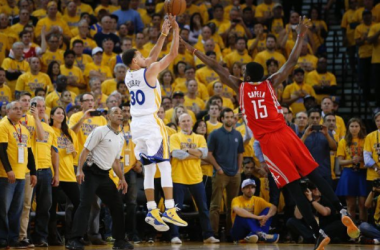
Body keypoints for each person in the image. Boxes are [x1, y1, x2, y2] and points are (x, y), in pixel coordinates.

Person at [182, 16, 360, 250]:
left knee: (293, 187)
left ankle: (317, 232)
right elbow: (293, 60)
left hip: (270, 143)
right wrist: (300, 35)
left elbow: (216, 66)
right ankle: (341, 209)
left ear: (246, 77)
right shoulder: (271, 82)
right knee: (314, 174)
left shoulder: (240, 86)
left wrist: (192, 49)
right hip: (286, 134)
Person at [122, 15, 187, 231]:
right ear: (135, 61)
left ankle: (152, 210)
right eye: (139, 56)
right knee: (165, 166)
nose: (144, 57)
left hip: (136, 126)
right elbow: (173, 54)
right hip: (151, 123)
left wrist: (163, 33)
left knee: (149, 169)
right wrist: (176, 31)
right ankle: (169, 208)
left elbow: (150, 57)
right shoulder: (149, 72)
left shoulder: (128, 76)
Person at [65, 107, 133, 250]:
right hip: (90, 172)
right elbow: (85, 151)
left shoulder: (120, 136)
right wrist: (79, 171)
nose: (119, 115)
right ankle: (74, 239)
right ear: (108, 116)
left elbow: (115, 161)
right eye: (115, 113)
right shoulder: (99, 131)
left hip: (104, 175)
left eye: (121, 113)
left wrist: (122, 178)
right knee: (85, 204)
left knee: (117, 205)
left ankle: (119, 240)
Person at [169, 113, 219, 244]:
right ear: (179, 124)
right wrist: (194, 153)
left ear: (192, 123)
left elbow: (203, 154)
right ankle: (175, 235)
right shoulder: (174, 137)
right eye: (183, 121)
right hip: (178, 177)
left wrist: (185, 150)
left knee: (203, 208)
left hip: (196, 177)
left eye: (188, 121)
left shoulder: (199, 137)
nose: (186, 123)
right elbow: (175, 154)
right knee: (176, 208)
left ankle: (208, 235)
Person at [0, 101, 37, 249]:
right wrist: (8, 170)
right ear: (7, 111)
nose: (19, 111)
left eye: (21, 109)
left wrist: (33, 172)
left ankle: (13, 239)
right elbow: (1, 150)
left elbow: (29, 152)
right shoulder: (3, 125)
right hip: (6, 175)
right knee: (3, 209)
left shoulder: (23, 129)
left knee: (17, 209)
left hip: (22, 175)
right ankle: (2, 238)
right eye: (15, 108)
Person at [207, 108, 244, 239]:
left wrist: (239, 169)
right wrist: (218, 168)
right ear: (222, 119)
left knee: (232, 206)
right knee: (215, 205)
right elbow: (209, 154)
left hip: (235, 174)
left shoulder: (238, 134)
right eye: (227, 117)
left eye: (231, 117)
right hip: (220, 174)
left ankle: (231, 233)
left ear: (234, 119)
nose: (229, 119)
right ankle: (213, 233)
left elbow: (240, 153)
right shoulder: (215, 134)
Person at [48, 107, 80, 246]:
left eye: (63, 113)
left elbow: (75, 155)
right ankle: (52, 237)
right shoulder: (49, 130)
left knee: (79, 204)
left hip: (68, 174)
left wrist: (72, 150)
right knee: (52, 207)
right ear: (52, 116)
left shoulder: (70, 132)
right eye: (58, 113)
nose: (61, 115)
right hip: (53, 174)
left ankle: (72, 235)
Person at [286, 179, 347, 244]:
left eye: (317, 188)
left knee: (340, 223)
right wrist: (301, 199)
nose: (317, 190)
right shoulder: (305, 201)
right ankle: (313, 238)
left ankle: (317, 237)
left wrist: (312, 200)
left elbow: (325, 212)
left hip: (325, 227)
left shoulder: (326, 198)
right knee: (290, 221)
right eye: (314, 189)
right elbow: (298, 216)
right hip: (311, 229)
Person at [335, 117, 368, 223]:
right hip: (349, 173)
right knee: (351, 204)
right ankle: (352, 231)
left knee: (363, 204)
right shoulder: (343, 141)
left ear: (361, 127)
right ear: (348, 128)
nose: (354, 129)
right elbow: (340, 162)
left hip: (363, 173)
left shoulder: (366, 139)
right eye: (352, 126)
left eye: (356, 126)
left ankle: (364, 230)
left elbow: (371, 157)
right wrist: (351, 160)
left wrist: (361, 159)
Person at [231, 179, 278, 243]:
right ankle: (260, 234)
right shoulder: (236, 199)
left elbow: (274, 207)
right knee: (243, 216)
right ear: (242, 189)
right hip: (238, 232)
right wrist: (258, 217)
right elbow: (238, 210)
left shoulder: (258, 200)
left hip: (253, 228)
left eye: (252, 187)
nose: (250, 190)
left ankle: (255, 235)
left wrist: (266, 217)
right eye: (247, 187)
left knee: (268, 210)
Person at [301, 109, 337, 187]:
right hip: (307, 172)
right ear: (308, 118)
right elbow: (296, 149)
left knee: (326, 198)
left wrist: (327, 135)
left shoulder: (328, 132)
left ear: (320, 119)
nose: (315, 120)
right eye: (312, 118)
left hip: (324, 171)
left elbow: (334, 148)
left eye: (317, 118)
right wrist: (305, 135)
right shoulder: (302, 132)